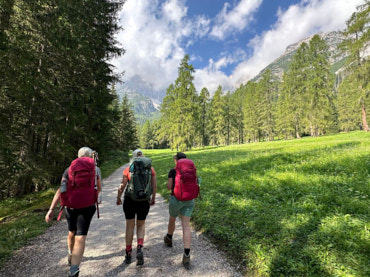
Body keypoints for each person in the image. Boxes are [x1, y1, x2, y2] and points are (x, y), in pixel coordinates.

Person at [45, 147, 102, 277]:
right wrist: (94, 198)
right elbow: (98, 188)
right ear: (90, 156)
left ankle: (70, 254)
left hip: (70, 206)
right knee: (81, 236)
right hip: (87, 206)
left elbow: (61, 189)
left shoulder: (69, 169)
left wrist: (51, 209)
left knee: (71, 232)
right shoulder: (95, 169)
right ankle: (74, 270)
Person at [116, 149, 157, 265]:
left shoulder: (128, 169)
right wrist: (153, 198)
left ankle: (128, 254)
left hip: (130, 200)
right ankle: (139, 247)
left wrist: (118, 198)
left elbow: (122, 186)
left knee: (129, 226)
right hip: (144, 200)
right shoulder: (150, 169)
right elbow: (154, 185)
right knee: (141, 224)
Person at [164, 152, 198, 269]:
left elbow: (169, 186)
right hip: (189, 200)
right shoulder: (191, 169)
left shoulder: (173, 171)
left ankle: (169, 238)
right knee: (186, 225)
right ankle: (187, 256)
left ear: (176, 160)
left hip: (176, 199)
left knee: (172, 219)